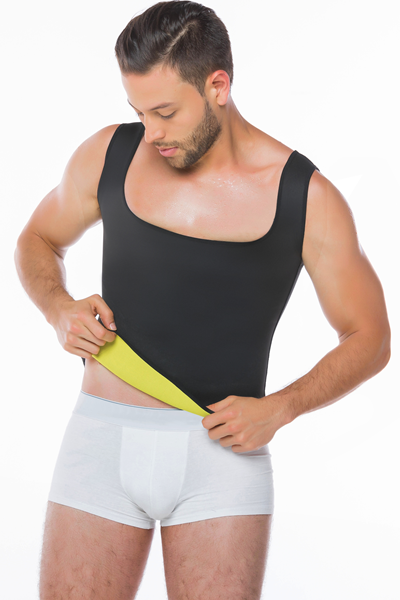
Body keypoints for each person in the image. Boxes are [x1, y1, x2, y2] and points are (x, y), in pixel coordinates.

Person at [14, 1, 391, 599]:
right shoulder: (111, 154)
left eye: (165, 112)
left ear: (218, 86)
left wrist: (283, 407)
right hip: (100, 441)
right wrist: (58, 307)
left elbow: (371, 337)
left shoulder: (305, 197)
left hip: (221, 462)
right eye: (139, 112)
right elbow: (37, 239)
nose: (152, 132)